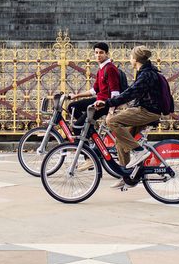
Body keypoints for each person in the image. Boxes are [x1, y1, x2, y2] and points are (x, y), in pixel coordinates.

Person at [94, 45, 163, 189]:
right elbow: (132, 93)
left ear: (136, 59)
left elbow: (130, 93)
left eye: (131, 57)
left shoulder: (146, 74)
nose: (130, 59)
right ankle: (126, 176)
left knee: (112, 121)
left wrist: (108, 102)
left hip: (148, 111)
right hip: (144, 109)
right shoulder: (145, 72)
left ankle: (139, 151)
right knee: (120, 141)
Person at [67, 42, 122, 132]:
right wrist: (76, 96)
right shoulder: (101, 69)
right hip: (98, 100)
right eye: (96, 53)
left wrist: (110, 112)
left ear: (107, 54)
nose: (98, 55)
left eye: (101, 52)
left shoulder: (110, 68)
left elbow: (115, 93)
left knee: (77, 127)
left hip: (104, 104)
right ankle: (89, 128)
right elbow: (94, 90)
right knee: (72, 106)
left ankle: (85, 139)